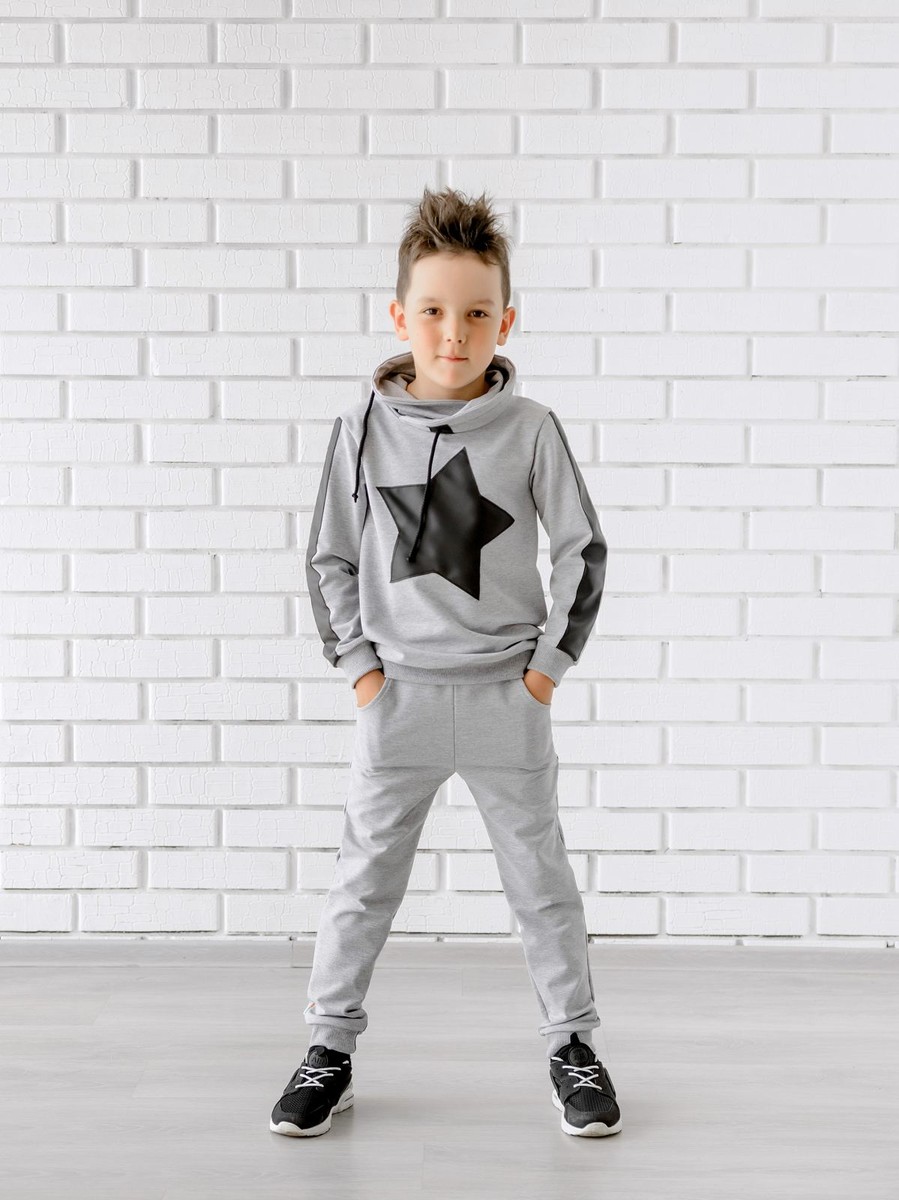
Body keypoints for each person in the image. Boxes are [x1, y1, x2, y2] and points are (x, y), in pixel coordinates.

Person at [270, 185, 621, 1140]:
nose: (452, 333)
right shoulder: (358, 429)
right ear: (399, 317)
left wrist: (544, 672)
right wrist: (362, 671)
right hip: (400, 702)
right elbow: (328, 557)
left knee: (541, 884)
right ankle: (328, 1049)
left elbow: (581, 550)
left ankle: (573, 1046)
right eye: (431, 311)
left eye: (474, 313)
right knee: (363, 882)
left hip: (508, 698)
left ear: (504, 321)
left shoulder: (531, 428)